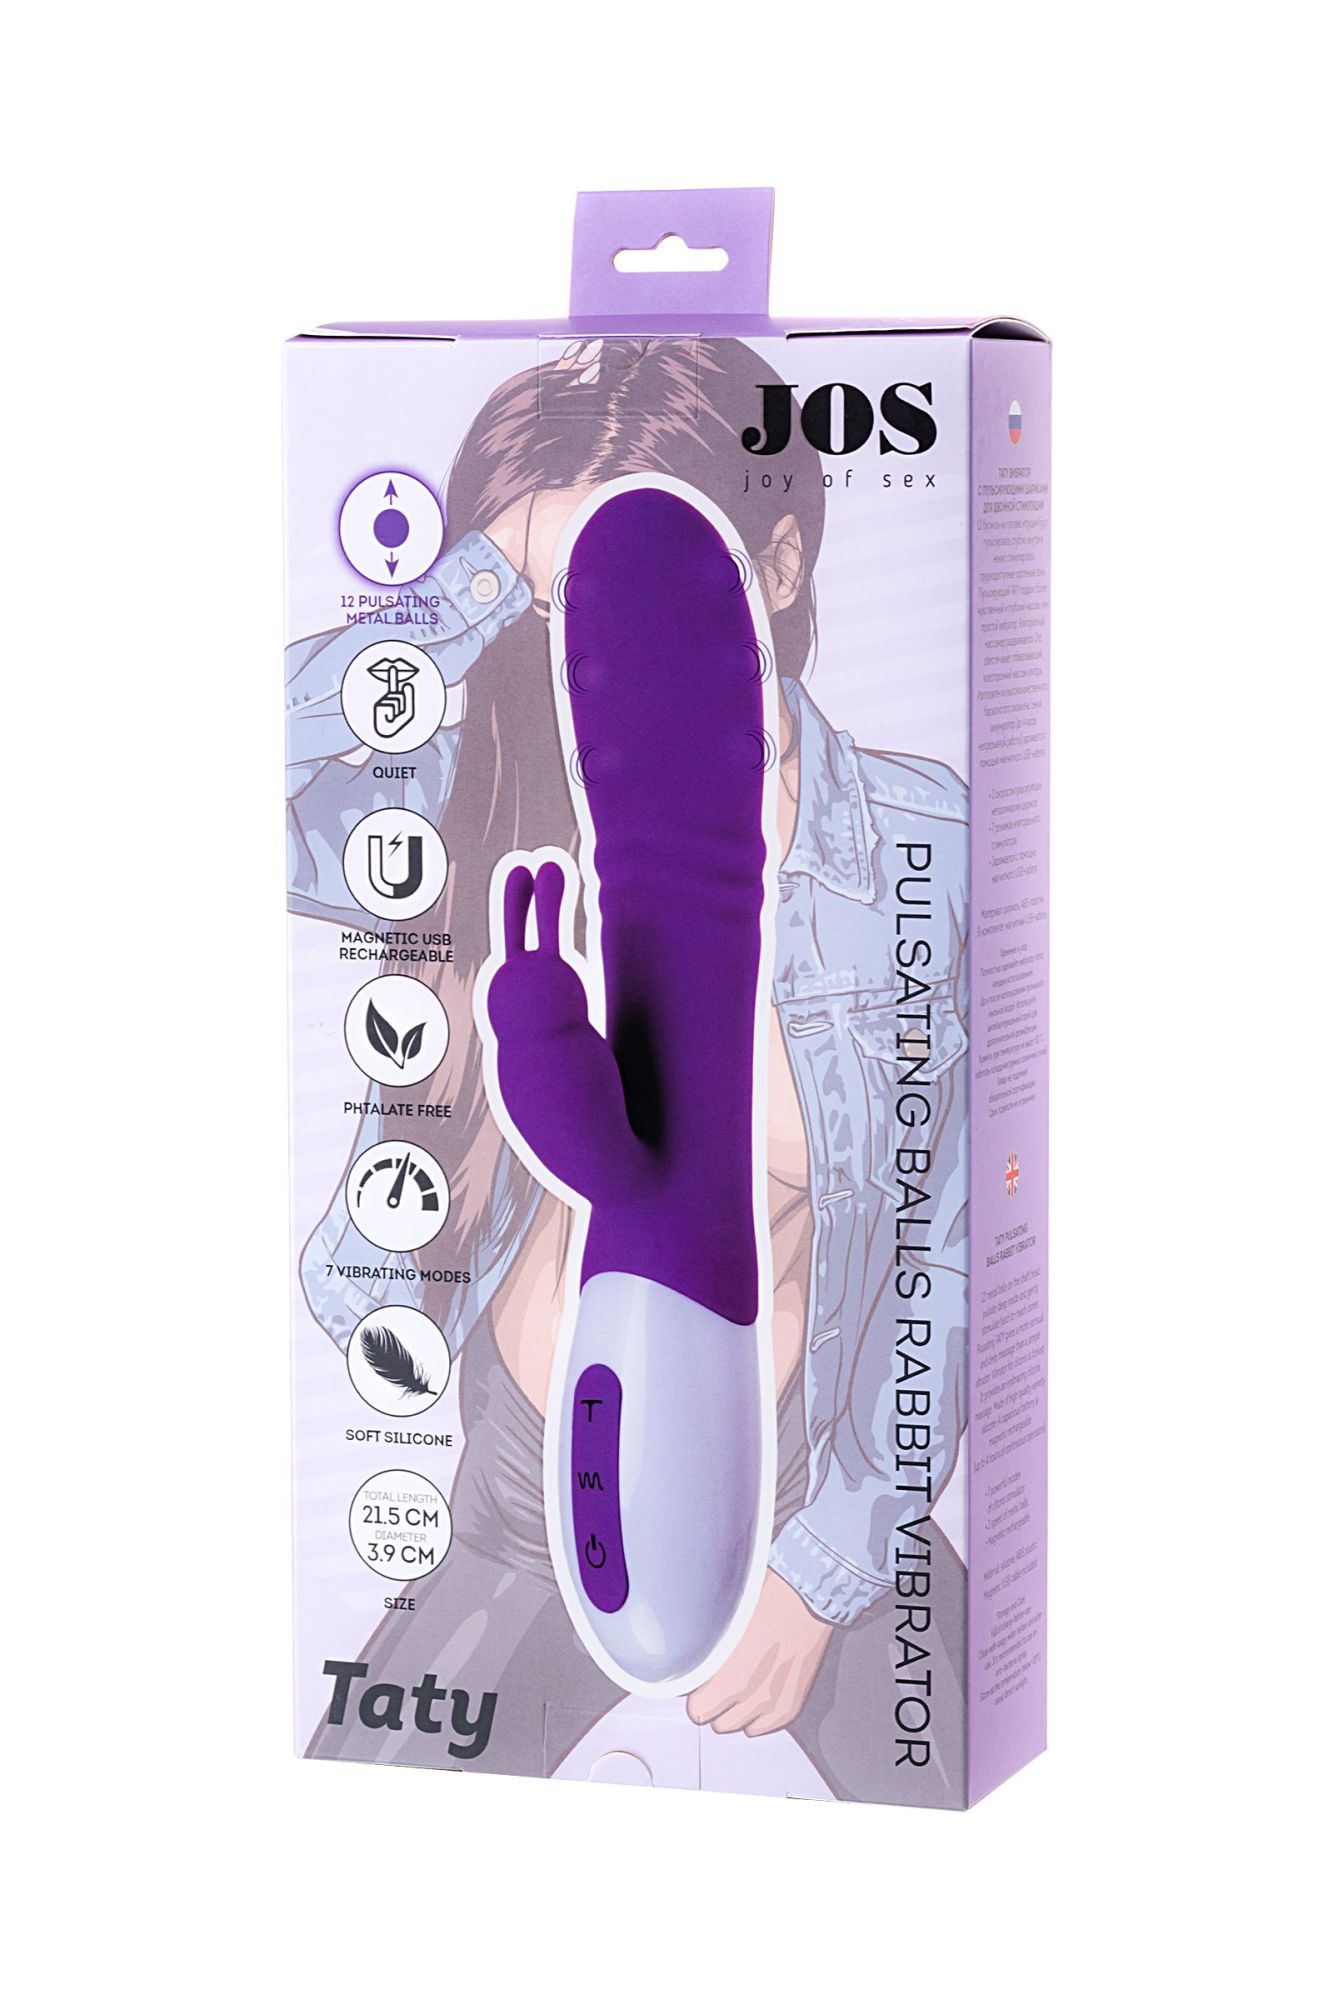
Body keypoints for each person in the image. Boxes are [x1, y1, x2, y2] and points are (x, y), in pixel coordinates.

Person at [288, 338, 970, 1802]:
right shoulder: (472, 812)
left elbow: (953, 1244)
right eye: (557, 596)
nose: (566, 637)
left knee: (949, 1776)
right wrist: (490, 571)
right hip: (521, 1470)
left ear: (775, 564)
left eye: (642, 570)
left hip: (818, 1482)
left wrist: (826, 1570)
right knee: (363, 1797)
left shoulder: (923, 853)